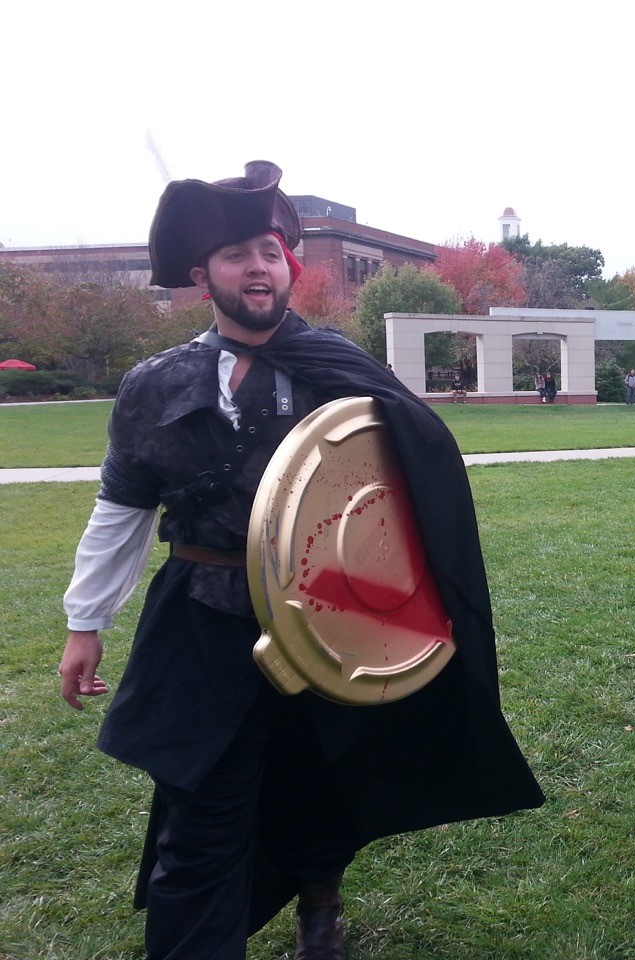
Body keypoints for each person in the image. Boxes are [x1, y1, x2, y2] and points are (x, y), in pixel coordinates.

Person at [56, 161, 543, 960]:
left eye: (270, 251)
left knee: (314, 778)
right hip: (203, 620)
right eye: (237, 254)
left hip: (331, 618)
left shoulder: (343, 375)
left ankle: (320, 902)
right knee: (200, 803)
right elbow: (122, 508)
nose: (258, 267)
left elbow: (405, 491)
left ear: (290, 265)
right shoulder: (155, 384)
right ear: (200, 274)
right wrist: (85, 624)